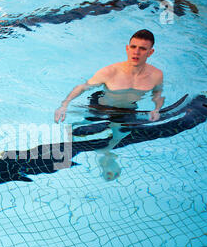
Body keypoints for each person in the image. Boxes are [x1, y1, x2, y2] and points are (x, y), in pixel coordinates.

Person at [54, 29, 165, 181]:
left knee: (120, 135)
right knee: (78, 130)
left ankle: (106, 155)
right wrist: (64, 104)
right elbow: (83, 87)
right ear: (127, 48)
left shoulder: (156, 75)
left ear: (150, 52)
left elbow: (157, 94)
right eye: (133, 47)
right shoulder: (110, 72)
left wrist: (157, 109)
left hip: (127, 109)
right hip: (101, 107)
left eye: (142, 48)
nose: (136, 52)